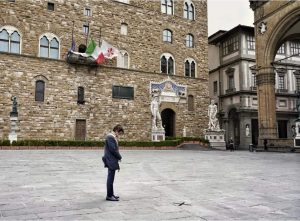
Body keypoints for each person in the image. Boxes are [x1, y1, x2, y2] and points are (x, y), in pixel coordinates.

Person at [102, 124, 124, 201]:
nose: (119, 135)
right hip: (110, 159)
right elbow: (113, 150)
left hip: (112, 159)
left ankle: (111, 194)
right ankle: (109, 195)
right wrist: (119, 157)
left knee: (111, 178)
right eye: (119, 133)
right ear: (116, 131)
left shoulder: (112, 137)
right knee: (110, 178)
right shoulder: (110, 137)